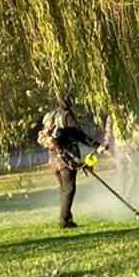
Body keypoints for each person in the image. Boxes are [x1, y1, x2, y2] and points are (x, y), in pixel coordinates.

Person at [38, 94, 102, 229]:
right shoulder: (67, 115)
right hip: (65, 159)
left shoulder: (52, 115)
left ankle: (67, 219)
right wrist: (97, 145)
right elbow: (79, 135)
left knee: (64, 189)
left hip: (53, 160)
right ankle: (64, 221)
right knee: (69, 189)